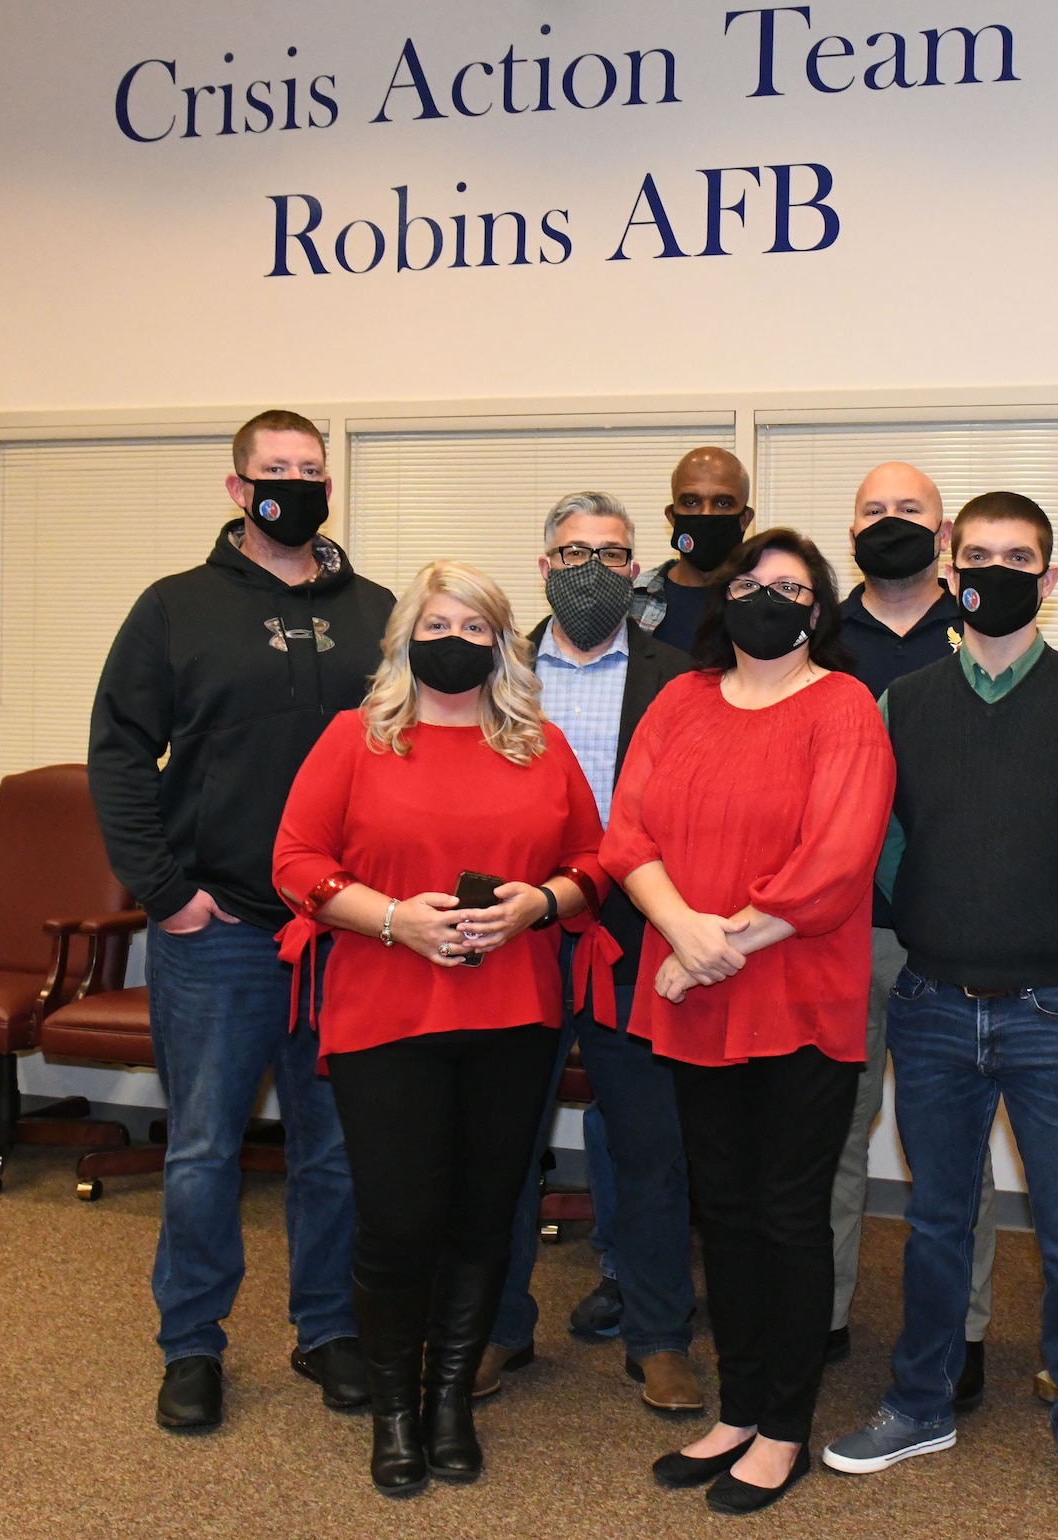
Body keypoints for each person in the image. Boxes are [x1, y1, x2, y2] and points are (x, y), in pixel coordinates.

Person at [821, 492, 1058, 1534]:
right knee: (936, 1221)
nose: (994, 572)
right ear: (946, 564)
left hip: (1054, 1011)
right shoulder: (906, 705)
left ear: (1049, 581)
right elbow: (881, 846)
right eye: (975, 554)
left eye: (1016, 557)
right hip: (932, 1006)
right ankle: (920, 1403)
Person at [271, 560, 607, 1498]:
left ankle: (451, 1399)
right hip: (388, 1011)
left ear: (501, 644)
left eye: (475, 628)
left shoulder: (538, 745)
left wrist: (539, 903)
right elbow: (294, 861)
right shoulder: (355, 738)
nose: (454, 641)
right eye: (439, 622)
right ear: (405, 636)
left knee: (482, 1215)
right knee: (398, 1219)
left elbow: (595, 862)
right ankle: (394, 1414)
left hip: (514, 1014)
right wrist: (393, 919)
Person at [88, 408, 393, 1434]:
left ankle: (324, 1328)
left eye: (312, 471)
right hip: (218, 930)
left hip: (342, 929)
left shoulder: (378, 612)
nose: (295, 486)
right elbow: (120, 754)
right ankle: (192, 1344)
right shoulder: (174, 609)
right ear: (236, 488)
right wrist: (165, 892)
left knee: (336, 1147)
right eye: (275, 472)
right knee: (206, 1148)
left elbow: (411, 757)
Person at [604, 528, 895, 1517]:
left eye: (793, 586)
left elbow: (838, 858)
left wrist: (714, 943)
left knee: (784, 1212)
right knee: (718, 1210)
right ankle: (734, 1409)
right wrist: (684, 933)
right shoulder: (679, 700)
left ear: (818, 610)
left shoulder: (843, 706)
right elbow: (626, 830)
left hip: (795, 994)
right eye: (752, 583)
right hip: (698, 987)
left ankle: (783, 1428)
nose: (770, 597)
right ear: (721, 603)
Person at [480, 492, 701, 1416]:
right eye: (572, 553)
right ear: (541, 568)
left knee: (652, 1148)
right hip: (518, 935)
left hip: (635, 940)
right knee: (500, 1146)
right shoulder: (491, 670)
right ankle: (495, 1327)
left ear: (636, 571)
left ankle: (658, 1337)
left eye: (612, 556)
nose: (590, 570)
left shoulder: (682, 678)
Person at [829, 461, 1001, 1408]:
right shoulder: (816, 633)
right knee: (833, 1137)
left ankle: (962, 1329)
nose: (889, 522)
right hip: (834, 932)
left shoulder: (983, 629)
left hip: (950, 938)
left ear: (943, 535)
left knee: (950, 1155)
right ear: (847, 527)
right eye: (873, 510)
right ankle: (824, 1312)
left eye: (911, 511)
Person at [629, 446, 755, 653]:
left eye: (722, 503)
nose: (706, 514)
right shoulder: (633, 601)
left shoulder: (766, 601)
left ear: (745, 519)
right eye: (691, 502)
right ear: (671, 516)